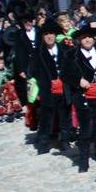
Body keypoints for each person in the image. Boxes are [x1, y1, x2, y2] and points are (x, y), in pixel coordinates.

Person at [63, 22, 96, 173]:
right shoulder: (71, 55)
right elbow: (64, 74)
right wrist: (78, 80)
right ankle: (83, 159)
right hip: (83, 96)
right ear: (79, 40)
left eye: (89, 37)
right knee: (85, 128)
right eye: (83, 37)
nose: (87, 40)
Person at [29, 20, 71, 155]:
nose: (49, 37)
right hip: (48, 90)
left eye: (51, 34)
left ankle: (65, 141)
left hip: (64, 89)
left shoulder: (64, 49)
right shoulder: (38, 52)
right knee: (46, 118)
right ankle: (43, 143)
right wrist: (45, 81)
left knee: (65, 117)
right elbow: (32, 71)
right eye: (46, 34)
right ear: (43, 36)